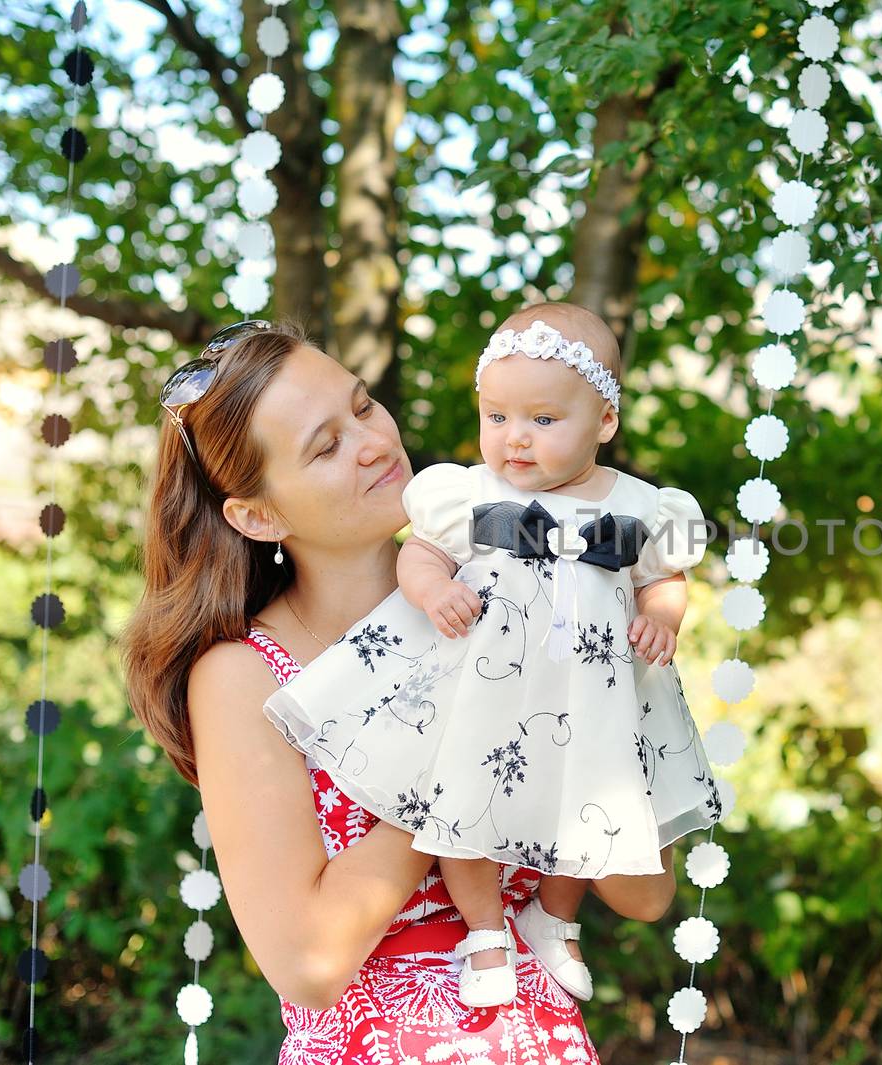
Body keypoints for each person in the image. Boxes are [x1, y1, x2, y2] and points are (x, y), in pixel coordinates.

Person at [120, 319, 675, 1062]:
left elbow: (646, 897)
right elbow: (309, 962)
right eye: (326, 445)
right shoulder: (244, 672)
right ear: (259, 515)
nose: (375, 440)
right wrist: (472, 732)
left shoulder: (516, 595)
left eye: (363, 406)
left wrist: (605, 680)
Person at [260, 303, 724, 1009]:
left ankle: (553, 916)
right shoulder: (470, 494)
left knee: (591, 810)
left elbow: (664, 577)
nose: (515, 439)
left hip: (587, 701)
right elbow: (424, 554)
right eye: (498, 417)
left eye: (543, 420)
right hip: (487, 700)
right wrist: (432, 588)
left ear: (604, 422)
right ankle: (487, 934)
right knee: (462, 810)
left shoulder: (641, 507)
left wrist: (661, 616)